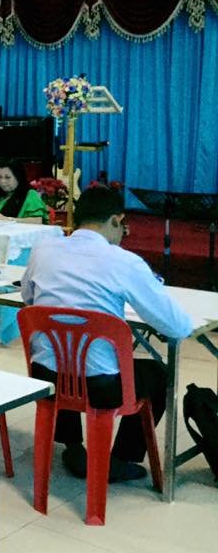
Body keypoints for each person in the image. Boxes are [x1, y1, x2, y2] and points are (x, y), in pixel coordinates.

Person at [20, 186, 194, 481]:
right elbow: (177, 326)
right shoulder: (123, 261)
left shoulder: (43, 250)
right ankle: (120, 458)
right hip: (101, 388)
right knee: (158, 374)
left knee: (64, 353)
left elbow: (28, 298)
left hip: (45, 376)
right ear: (116, 220)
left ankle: (72, 446)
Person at [0, 159, 49, 223]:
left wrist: (8, 220)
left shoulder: (30, 195)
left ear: (18, 177)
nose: (3, 182)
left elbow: (37, 221)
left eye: (7, 177)